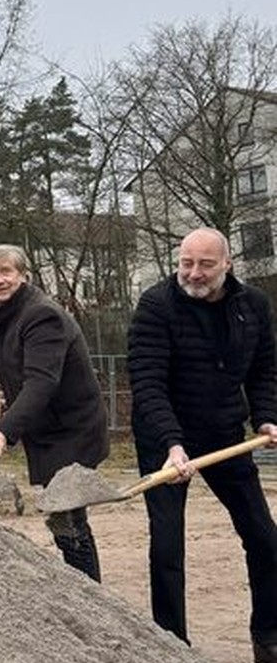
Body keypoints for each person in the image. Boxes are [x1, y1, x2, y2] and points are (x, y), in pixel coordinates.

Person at [127, 227, 277, 660]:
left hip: (223, 433)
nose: (192, 273)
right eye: (185, 263)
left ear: (227, 264)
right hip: (163, 440)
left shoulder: (253, 306)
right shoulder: (156, 306)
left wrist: (265, 416)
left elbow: (263, 370)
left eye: (204, 264)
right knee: (168, 546)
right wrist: (172, 445)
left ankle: (267, 636)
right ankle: (171, 643)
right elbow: (148, 383)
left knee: (265, 538)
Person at [0, 244, 108, 581]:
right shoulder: (8, 313)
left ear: (24, 275)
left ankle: (90, 596)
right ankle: (82, 588)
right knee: (62, 517)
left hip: (71, 431)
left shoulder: (40, 315)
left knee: (68, 519)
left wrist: (3, 431)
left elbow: (42, 383)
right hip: (51, 429)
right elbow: (28, 373)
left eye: (6, 271)